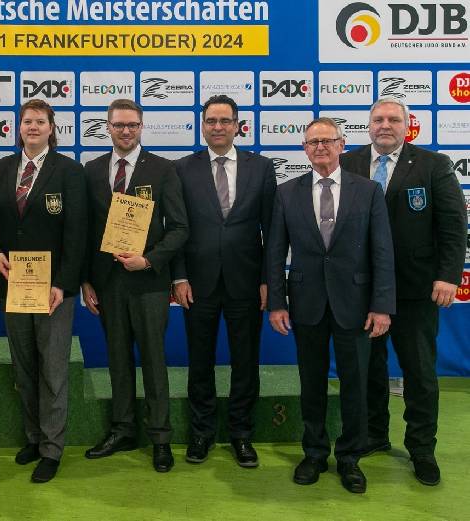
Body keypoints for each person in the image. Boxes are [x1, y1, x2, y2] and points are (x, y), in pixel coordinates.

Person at [339, 98, 467, 486]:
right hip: (362, 288)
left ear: (407, 125)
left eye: (393, 119)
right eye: (378, 119)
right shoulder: (348, 163)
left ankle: (422, 449)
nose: (385, 125)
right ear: (368, 125)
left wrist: (449, 275)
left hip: (415, 288)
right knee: (368, 369)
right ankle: (374, 435)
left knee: (419, 372)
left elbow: (453, 224)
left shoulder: (433, 165)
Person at [267, 117, 395, 494]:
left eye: (327, 141)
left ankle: (351, 457)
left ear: (342, 145)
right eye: (313, 142)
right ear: (304, 149)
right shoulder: (286, 193)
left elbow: (382, 251)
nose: (320, 147)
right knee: (312, 383)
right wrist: (276, 302)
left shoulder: (368, 191)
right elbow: (274, 252)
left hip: (355, 305)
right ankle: (315, 452)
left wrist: (382, 305)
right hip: (305, 303)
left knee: (355, 384)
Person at [0, 99, 86, 483]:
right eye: (28, 121)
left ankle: (52, 449)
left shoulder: (69, 171)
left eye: (41, 121)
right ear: (18, 127)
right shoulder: (0, 169)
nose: (34, 127)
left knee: (53, 371)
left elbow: (77, 233)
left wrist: (63, 283)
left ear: (52, 128)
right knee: (24, 368)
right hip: (14, 286)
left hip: (53, 290)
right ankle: (34, 437)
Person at [81, 99, 187, 472]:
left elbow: (179, 227)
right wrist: (85, 279)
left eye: (132, 125)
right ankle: (123, 429)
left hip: (149, 282)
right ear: (108, 128)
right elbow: (85, 230)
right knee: (118, 359)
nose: (125, 131)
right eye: (119, 125)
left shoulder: (162, 169)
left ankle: (160, 437)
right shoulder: (92, 170)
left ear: (142, 127)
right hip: (107, 283)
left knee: (154, 359)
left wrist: (150, 259)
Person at [172, 95, 276, 468]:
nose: (218, 127)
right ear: (203, 126)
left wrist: (268, 280)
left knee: (245, 361)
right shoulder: (182, 169)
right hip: (197, 283)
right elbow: (175, 228)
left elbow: (272, 230)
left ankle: (241, 434)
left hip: (246, 282)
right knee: (199, 361)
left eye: (225, 121)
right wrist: (179, 275)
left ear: (237, 125)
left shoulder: (261, 168)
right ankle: (201, 433)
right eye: (211, 121)